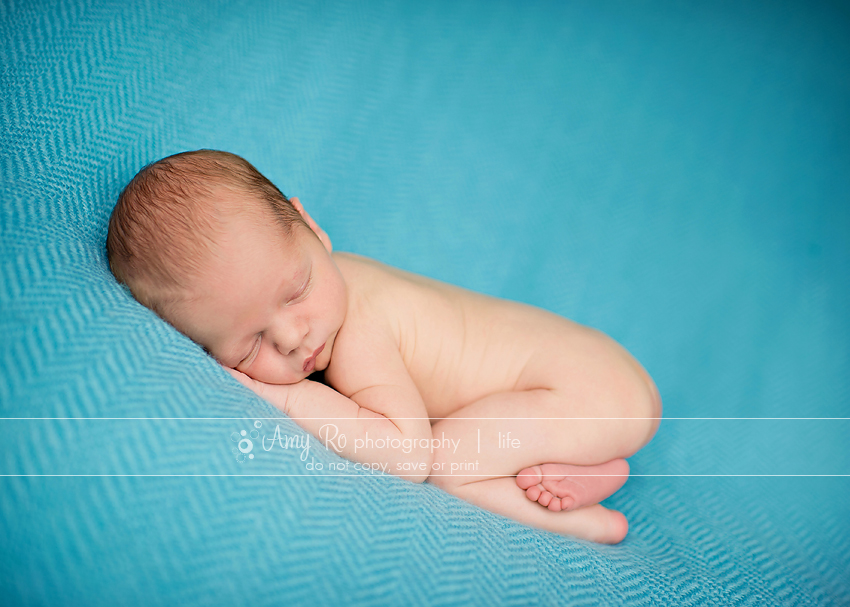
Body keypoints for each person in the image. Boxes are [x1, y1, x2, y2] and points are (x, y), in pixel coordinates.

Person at [106, 149, 662, 544]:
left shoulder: (359, 321)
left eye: (297, 291)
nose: (293, 336)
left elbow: (407, 453)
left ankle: (589, 524)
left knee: (448, 463)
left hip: (586, 389)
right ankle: (576, 464)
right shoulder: (334, 285)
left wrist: (294, 400)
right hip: (595, 380)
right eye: (251, 345)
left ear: (312, 228)